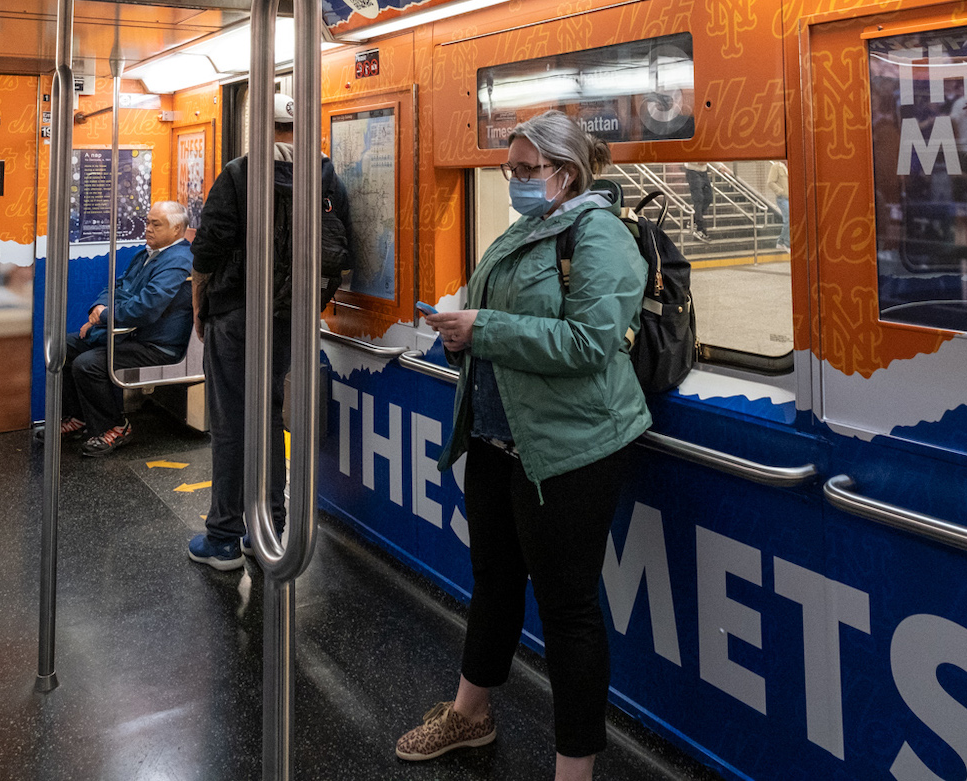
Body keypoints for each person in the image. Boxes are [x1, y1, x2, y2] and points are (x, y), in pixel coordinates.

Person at [394, 110, 650, 780]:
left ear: (564, 174)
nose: (513, 180)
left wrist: (483, 327)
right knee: (495, 581)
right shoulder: (526, 231)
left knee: (568, 610)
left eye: (525, 170)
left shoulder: (601, 235)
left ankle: (574, 770)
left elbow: (590, 342)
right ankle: (470, 714)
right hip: (498, 440)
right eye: (510, 169)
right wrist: (459, 328)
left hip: (570, 449)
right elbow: (498, 323)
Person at [187, 93, 354, 570]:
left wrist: (201, 304)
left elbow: (207, 250)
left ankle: (222, 535)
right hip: (291, 317)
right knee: (268, 414)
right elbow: (339, 252)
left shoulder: (239, 174)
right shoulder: (324, 176)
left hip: (237, 316)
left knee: (233, 421)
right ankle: (268, 529)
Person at [62, 200, 194, 457]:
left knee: (88, 364)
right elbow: (118, 286)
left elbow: (147, 307)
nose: (148, 229)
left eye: (156, 224)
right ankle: (80, 418)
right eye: (147, 222)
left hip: (158, 345)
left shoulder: (178, 261)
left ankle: (115, 426)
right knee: (65, 348)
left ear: (177, 230)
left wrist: (105, 316)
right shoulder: (146, 254)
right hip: (134, 335)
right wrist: (99, 307)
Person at [682, 161, 714, 240]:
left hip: (704, 172)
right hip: (692, 172)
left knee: (709, 197)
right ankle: (699, 228)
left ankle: (693, 220)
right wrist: (697, 162)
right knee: (698, 198)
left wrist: (720, 167)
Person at [767, 159, 790, 251]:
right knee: (788, 219)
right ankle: (786, 244)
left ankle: (780, 242)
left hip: (791, 198)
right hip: (782, 198)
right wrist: (780, 191)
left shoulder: (789, 165)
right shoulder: (776, 166)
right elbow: (770, 182)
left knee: (790, 220)